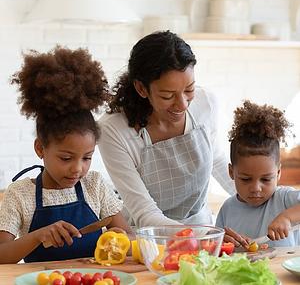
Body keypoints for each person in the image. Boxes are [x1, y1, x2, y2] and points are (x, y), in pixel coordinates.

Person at [0, 47, 132, 264]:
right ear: (40, 149)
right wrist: (38, 236)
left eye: (87, 158)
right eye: (66, 158)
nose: (78, 168)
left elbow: (128, 235)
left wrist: (120, 238)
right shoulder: (20, 194)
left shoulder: (95, 186)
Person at [97, 30, 235, 228]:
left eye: (189, 90)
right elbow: (145, 212)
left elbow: (216, 160)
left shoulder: (206, 103)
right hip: (148, 241)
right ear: (141, 89)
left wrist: (264, 197)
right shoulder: (113, 130)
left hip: (202, 230)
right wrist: (203, 236)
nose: (183, 104)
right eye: (168, 96)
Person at [216, 100, 300, 247]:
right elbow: (217, 248)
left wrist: (287, 217)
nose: (256, 188)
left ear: (278, 173)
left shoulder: (285, 199)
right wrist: (222, 244)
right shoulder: (227, 209)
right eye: (246, 179)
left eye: (266, 179)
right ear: (231, 172)